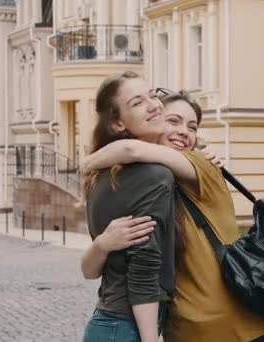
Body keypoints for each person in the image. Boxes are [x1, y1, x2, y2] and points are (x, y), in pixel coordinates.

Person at [80, 91, 264, 342]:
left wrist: (87, 162)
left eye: (192, 127)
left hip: (240, 330)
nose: (184, 131)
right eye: (173, 121)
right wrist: (103, 243)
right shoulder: (149, 188)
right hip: (186, 332)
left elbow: (130, 148)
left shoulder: (204, 167)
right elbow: (89, 271)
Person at [82, 71, 176, 342]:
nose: (153, 104)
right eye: (137, 103)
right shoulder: (154, 176)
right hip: (128, 327)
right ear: (118, 124)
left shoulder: (104, 174)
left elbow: (93, 270)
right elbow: (144, 262)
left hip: (109, 322)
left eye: (152, 94)